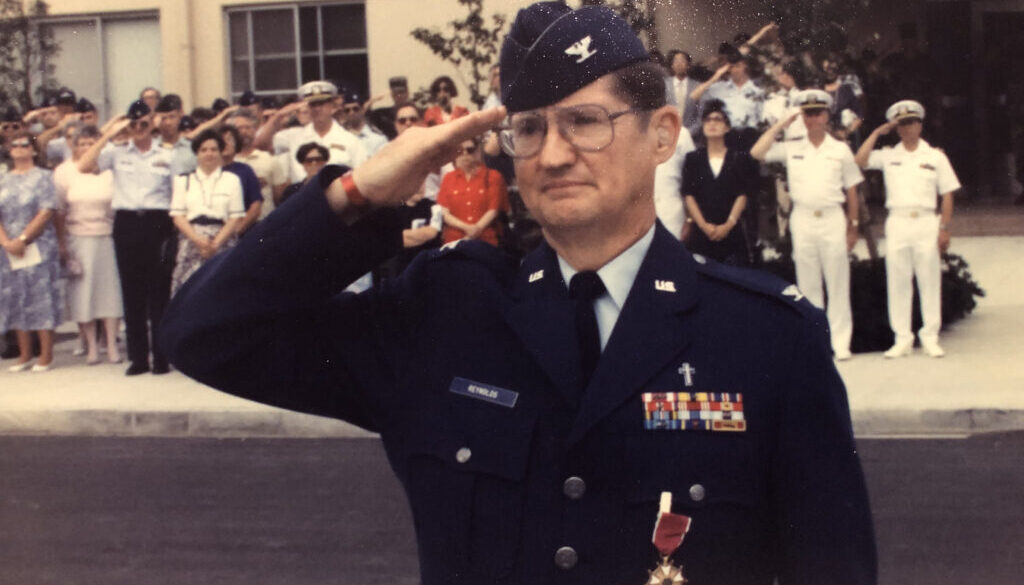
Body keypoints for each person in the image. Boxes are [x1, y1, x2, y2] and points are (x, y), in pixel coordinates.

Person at [161, 4, 875, 584]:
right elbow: (205, 332)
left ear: (663, 134)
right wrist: (356, 195)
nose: (554, 152)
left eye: (585, 121)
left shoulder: (768, 337)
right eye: (528, 128)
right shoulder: (444, 312)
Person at [751, 89, 864, 360]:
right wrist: (782, 124)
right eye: (808, 113)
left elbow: (851, 190)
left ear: (827, 116)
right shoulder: (793, 147)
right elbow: (757, 152)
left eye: (818, 113)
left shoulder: (840, 150)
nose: (813, 119)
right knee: (808, 283)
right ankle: (817, 342)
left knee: (837, 281)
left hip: (832, 218)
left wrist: (854, 225)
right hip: (802, 218)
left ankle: (840, 342)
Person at [78, 99, 177, 376]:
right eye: (133, 124)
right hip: (127, 223)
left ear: (152, 121)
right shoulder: (117, 152)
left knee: (159, 292)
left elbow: (176, 192)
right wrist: (109, 133)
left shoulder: (166, 154)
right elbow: (84, 166)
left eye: (143, 123)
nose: (138, 129)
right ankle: (138, 358)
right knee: (132, 292)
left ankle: (161, 356)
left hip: (158, 223)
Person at [855, 100, 960, 358]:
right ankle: (902, 338)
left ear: (920, 125)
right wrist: (878, 133)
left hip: (926, 221)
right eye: (902, 124)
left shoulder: (935, 156)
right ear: (896, 127)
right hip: (898, 222)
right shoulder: (890, 155)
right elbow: (860, 160)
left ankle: (930, 336)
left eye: (912, 123)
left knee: (928, 279)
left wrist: (944, 228)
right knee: (898, 281)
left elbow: (947, 194)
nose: (907, 128)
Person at [53, 125, 123, 364]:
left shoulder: (109, 171)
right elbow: (59, 211)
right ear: (74, 146)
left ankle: (111, 346)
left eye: (90, 143)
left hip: (107, 237)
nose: (86, 148)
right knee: (83, 294)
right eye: (81, 144)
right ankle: (91, 346)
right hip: (77, 238)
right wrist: (62, 244)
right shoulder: (64, 172)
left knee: (109, 293)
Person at [0, 131, 62, 372]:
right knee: (15, 296)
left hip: (37, 245)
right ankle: (24, 354)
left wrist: (24, 239)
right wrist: (6, 242)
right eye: (14, 144)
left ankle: (46, 354)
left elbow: (47, 211)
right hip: (8, 248)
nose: (19, 148)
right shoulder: (3, 179)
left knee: (39, 296)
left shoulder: (44, 177)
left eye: (24, 144)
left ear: (33, 150)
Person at [683, 100, 759, 266]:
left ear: (727, 127)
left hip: (731, 232)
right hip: (702, 233)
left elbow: (742, 194)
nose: (712, 124)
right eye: (708, 120)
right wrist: (703, 226)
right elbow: (689, 195)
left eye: (718, 119)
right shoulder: (693, 158)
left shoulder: (738, 158)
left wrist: (728, 225)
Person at [169, 129, 244, 295]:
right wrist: (197, 240)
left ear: (220, 152)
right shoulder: (183, 180)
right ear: (196, 153)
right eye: (204, 150)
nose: (209, 154)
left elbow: (235, 217)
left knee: (221, 293)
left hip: (222, 240)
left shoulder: (232, 180)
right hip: (192, 241)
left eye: (214, 149)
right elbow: (178, 216)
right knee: (188, 294)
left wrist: (215, 244)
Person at [256, 81, 367, 184]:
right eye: (313, 104)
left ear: (333, 106)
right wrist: (278, 115)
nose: (317, 109)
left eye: (322, 103)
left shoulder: (350, 141)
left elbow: (361, 178)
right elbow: (261, 145)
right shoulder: (294, 136)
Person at [436, 136, 508, 247]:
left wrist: (475, 230)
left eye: (470, 150)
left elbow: (494, 210)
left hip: (486, 241)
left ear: (477, 151)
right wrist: (467, 229)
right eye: (459, 150)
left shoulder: (493, 176)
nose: (465, 154)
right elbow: (444, 213)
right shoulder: (448, 178)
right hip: (454, 242)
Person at [226, 109, 288, 217]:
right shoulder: (226, 161)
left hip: (264, 222)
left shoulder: (269, 160)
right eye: (239, 128)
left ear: (255, 130)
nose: (244, 132)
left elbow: (279, 196)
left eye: (248, 127)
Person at [335, 89, 388, 157]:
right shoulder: (339, 138)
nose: (352, 113)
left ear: (362, 110)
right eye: (347, 110)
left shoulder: (378, 139)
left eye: (355, 109)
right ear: (343, 113)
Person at [665, 50, 701, 138]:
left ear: (688, 65)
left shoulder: (697, 86)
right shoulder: (664, 85)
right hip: (668, 135)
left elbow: (701, 114)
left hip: (691, 135)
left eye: (682, 61)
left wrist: (688, 133)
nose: (679, 64)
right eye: (676, 61)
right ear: (672, 65)